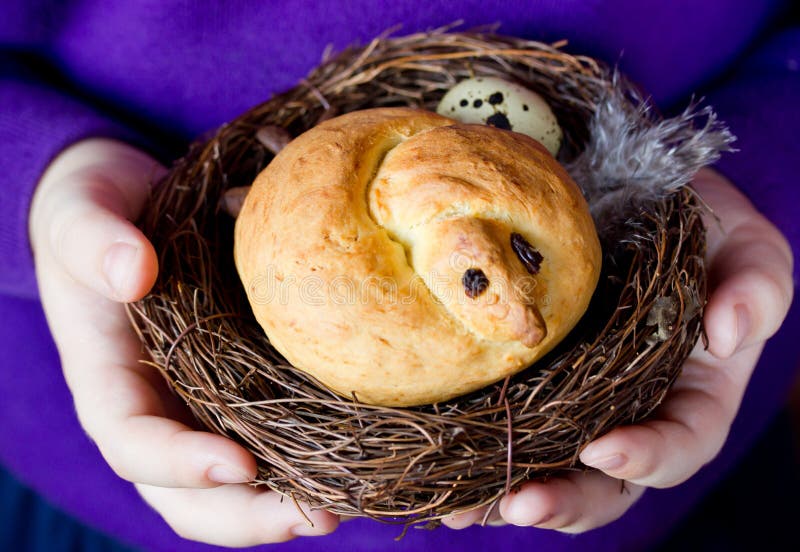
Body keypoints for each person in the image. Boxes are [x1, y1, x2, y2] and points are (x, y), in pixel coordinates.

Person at [2, 1, 797, 550]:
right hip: (98, 483)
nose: (524, 326)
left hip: (691, 485)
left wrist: (754, 168)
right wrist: (36, 179)